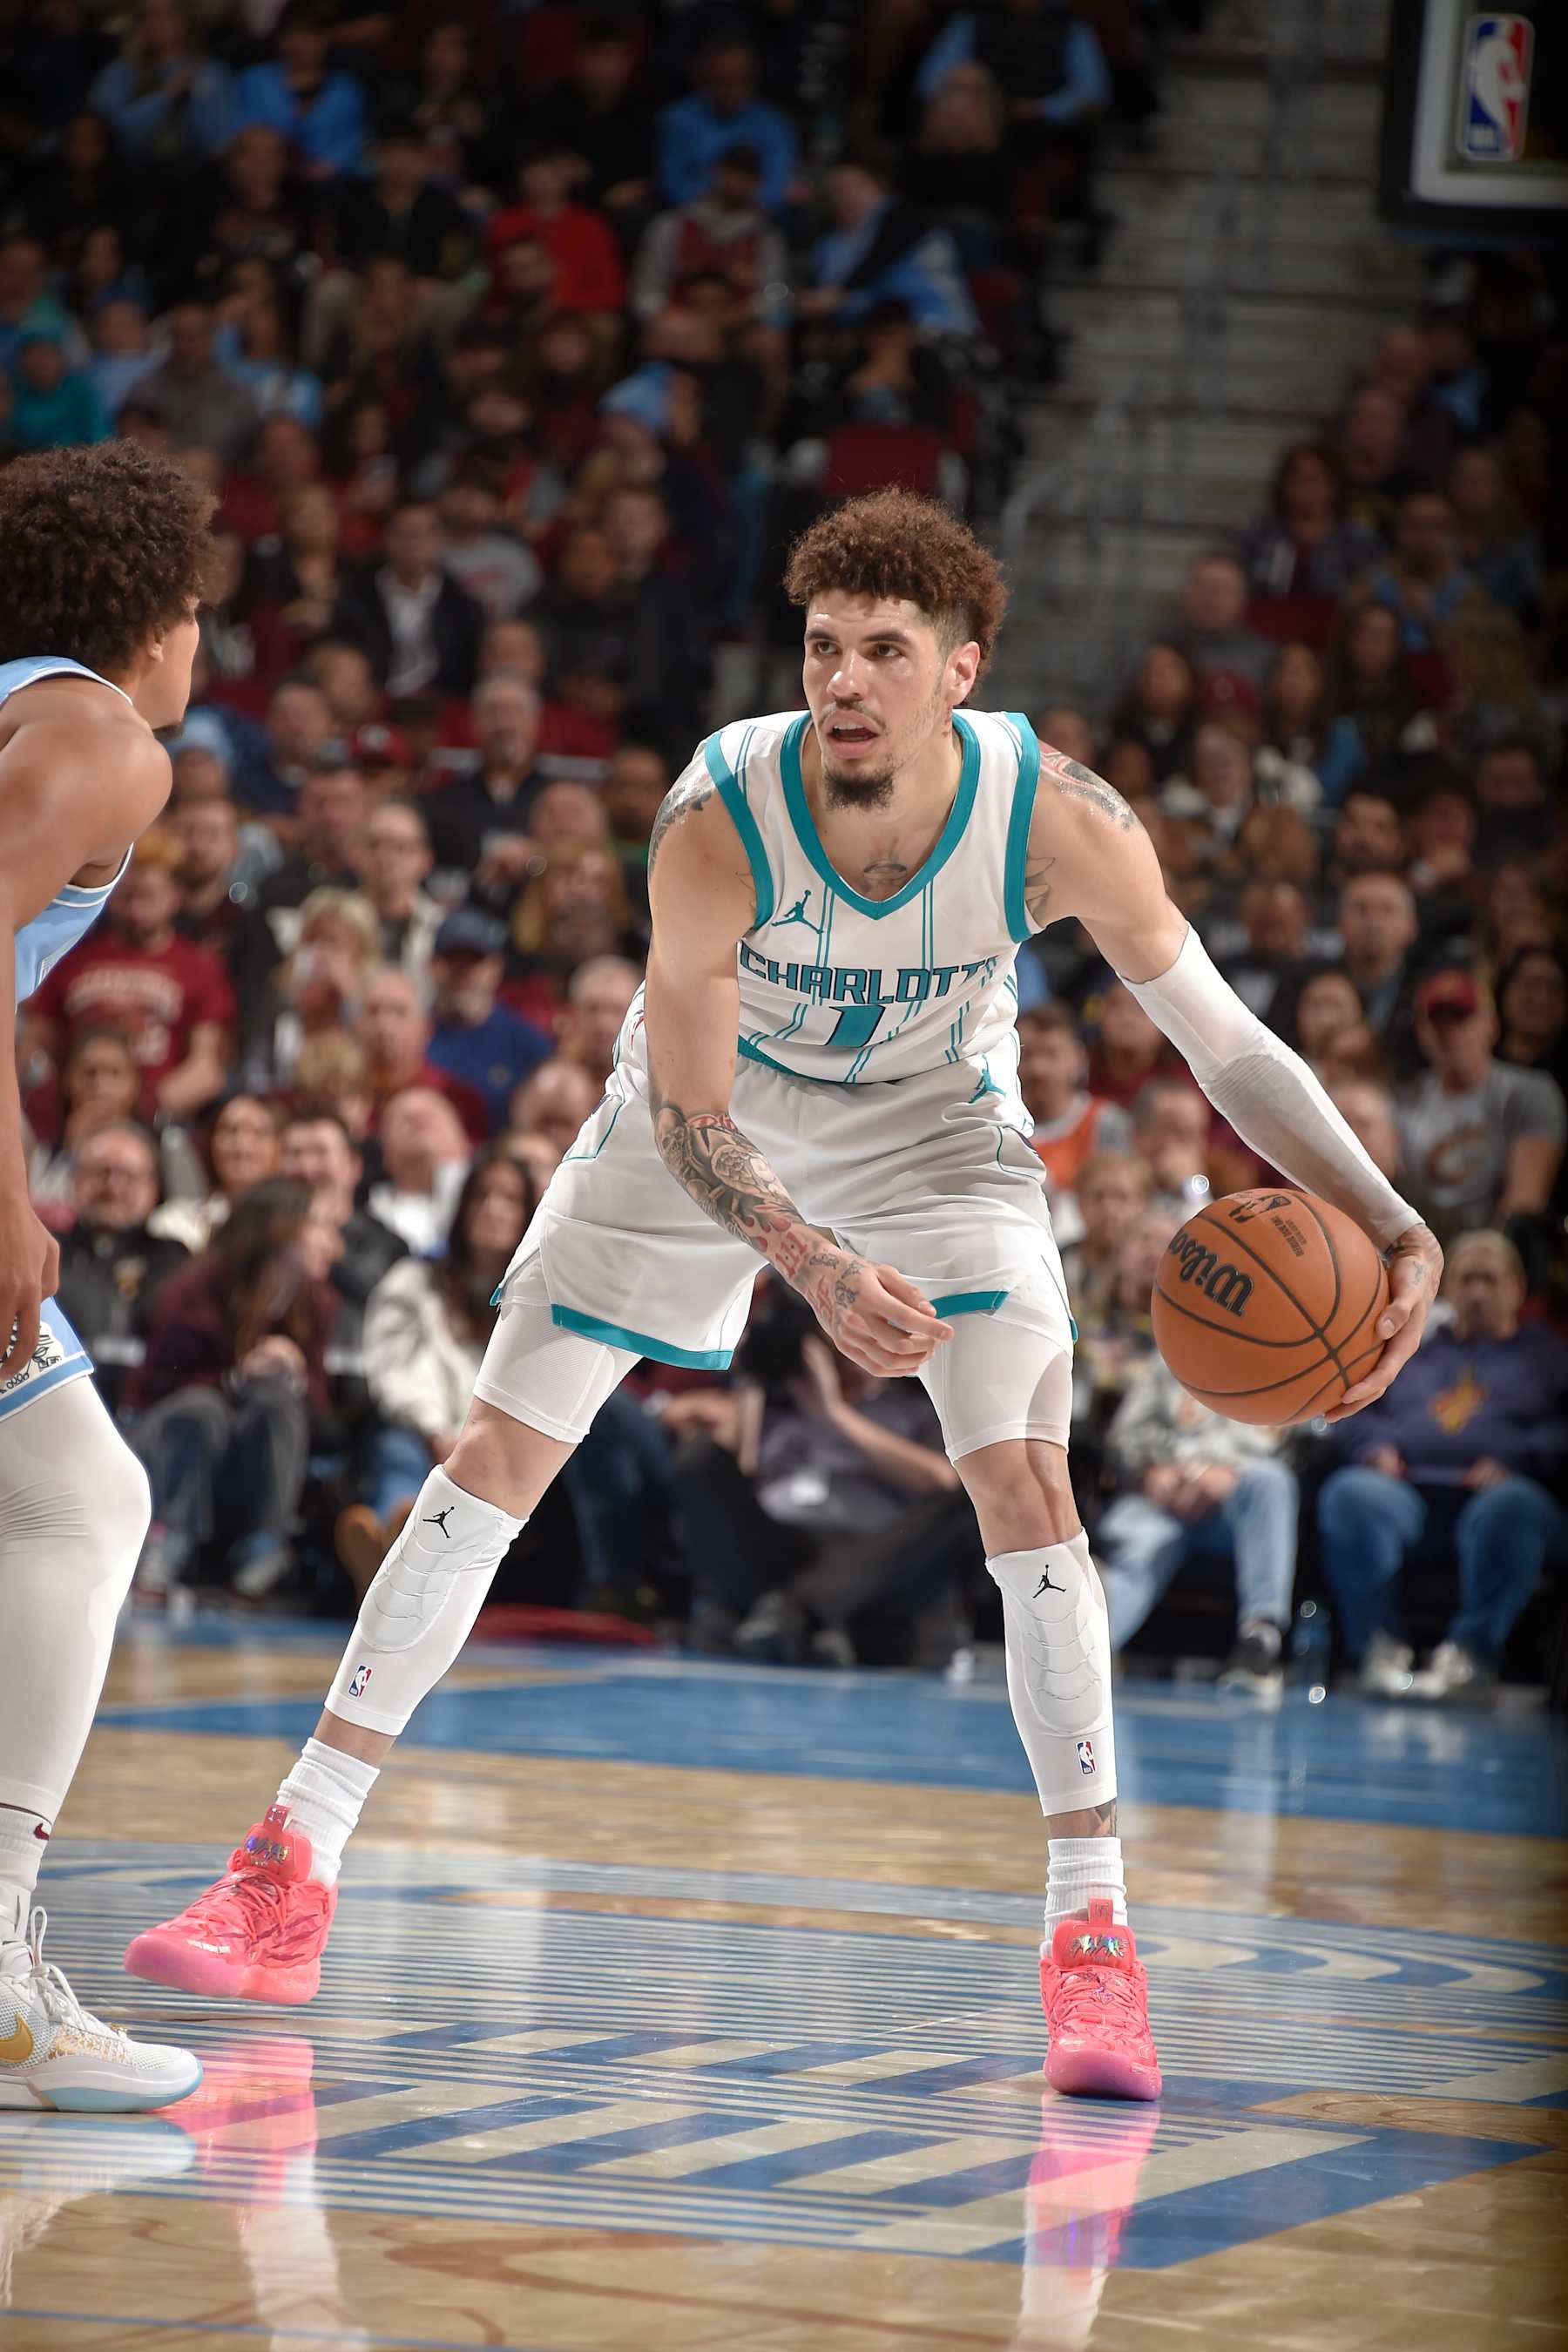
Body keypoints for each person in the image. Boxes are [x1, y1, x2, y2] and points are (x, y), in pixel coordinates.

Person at [130, 490, 1443, 2109]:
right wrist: (809, 1263)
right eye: (826, 647)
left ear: (962, 670)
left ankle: (1093, 1943)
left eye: (889, 652)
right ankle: (289, 1867)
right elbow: (688, 1113)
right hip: (712, 1121)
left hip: (939, 1135)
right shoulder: (715, 816)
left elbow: (1226, 1043)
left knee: (1027, 1483)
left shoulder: (1061, 816)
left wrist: (1386, 1216)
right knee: (491, 1457)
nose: (848, 682)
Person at [0, 439, 209, 2109]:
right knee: (82, 1506)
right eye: (198, 610)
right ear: (155, 620)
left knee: (74, 1493)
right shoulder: (102, 734)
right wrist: (9, 1201)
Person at [1317, 1231, 1568, 1702]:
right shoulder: (1416, 1349)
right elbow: (1359, 1410)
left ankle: (1470, 1658)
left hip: (1507, 1500)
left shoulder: (1550, 1358)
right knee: (1350, 1493)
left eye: (1490, 1280)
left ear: (1517, 1289)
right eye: (1466, 1279)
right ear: (1447, 1290)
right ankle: (1379, 1649)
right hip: (1411, 1493)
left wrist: (1517, 1459)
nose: (1476, 1292)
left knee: (1510, 1505)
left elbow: (1561, 1430)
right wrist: (1376, 1447)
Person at [132, 1177, 342, 1605]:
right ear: (279, 1230)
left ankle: (265, 1544)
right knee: (202, 1409)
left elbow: (323, 1417)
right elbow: (153, 1390)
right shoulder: (195, 1288)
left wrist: (298, 1376)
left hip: (245, 1461)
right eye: (318, 1225)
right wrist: (237, 1377)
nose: (333, 1242)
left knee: (279, 1401)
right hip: (171, 1444)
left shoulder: (316, 1303)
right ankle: (167, 1538)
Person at [337, 1152, 536, 1592]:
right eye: (482, 1196)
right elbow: (397, 1371)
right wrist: (436, 1429)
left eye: (510, 1198)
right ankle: (391, 1536)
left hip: (499, 1443)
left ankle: (403, 1557)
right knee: (398, 1450)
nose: (493, 1208)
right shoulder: (414, 1280)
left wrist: (475, 1437)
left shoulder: (537, 1299)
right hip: (420, 1428)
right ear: (461, 1209)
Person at [1096, 1353, 1300, 1694]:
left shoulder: (1289, 1360)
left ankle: (1260, 1639)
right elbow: (1123, 1436)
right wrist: (1150, 1472)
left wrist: (1227, 1473)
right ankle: (1090, 1646)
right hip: (1161, 1497)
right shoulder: (1169, 1354)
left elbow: (1289, 1446)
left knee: (1272, 1482)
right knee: (1144, 1545)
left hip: (1234, 1499)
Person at [24, 821, 235, 1123]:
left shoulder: (199, 967)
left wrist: (140, 1111)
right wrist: (68, 1100)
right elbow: (36, 1046)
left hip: (154, 1120)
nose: (136, 910)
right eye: (128, 896)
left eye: (148, 897)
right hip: (73, 1113)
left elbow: (206, 1069)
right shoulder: (71, 958)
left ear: (174, 895)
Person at [1395, 969, 1565, 1242]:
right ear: (1422, 1032)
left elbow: (1523, 1204)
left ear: (1492, 1024)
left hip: (1500, 1249)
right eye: (1439, 1022)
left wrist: (1481, 1258)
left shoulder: (1528, 1092)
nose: (1450, 1033)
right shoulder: (1404, 1100)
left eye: (1462, 1018)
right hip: (1425, 1246)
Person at [53, 1120, 190, 1416]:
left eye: (128, 1176)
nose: (113, 1187)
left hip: (144, 1411)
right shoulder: (46, 1249)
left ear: (153, 1188)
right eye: (101, 1173)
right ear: (74, 1180)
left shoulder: (173, 1259)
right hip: (55, 1404)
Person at [426, 908, 552, 1134]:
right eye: (452, 960)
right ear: (432, 965)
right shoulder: (415, 1034)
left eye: (474, 961)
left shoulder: (526, 1043)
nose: (462, 973)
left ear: (496, 968)